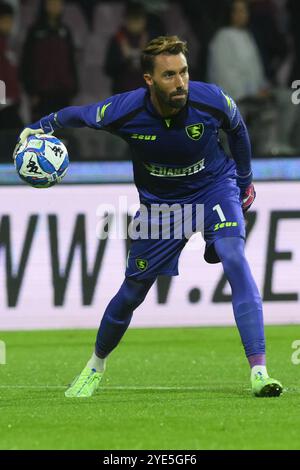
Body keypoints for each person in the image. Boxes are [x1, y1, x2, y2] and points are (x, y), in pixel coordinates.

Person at [15, 35, 283, 398]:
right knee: (132, 293)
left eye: (184, 72)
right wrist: (44, 124)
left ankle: (259, 372)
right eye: (170, 75)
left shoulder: (211, 100)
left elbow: (238, 130)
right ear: (149, 80)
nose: (181, 82)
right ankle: (95, 366)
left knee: (235, 257)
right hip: (161, 206)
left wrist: (245, 183)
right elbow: (81, 115)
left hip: (214, 186)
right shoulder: (124, 111)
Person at [207, 0, 299, 156]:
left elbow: (256, 73)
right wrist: (252, 93)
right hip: (237, 98)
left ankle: (282, 142)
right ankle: (268, 145)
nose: (244, 15)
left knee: (291, 99)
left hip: (257, 92)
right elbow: (225, 77)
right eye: (239, 11)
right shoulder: (222, 38)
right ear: (230, 14)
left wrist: (263, 88)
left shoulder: (247, 35)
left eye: (245, 11)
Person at [19, 0, 78, 123]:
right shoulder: (34, 32)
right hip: (41, 94)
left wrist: (73, 87)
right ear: (44, 5)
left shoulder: (65, 31)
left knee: (63, 131)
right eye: (52, 2)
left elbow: (71, 62)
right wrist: (31, 90)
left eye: (58, 3)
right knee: (41, 134)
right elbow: (26, 64)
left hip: (63, 93)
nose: (55, 6)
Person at [0, 1, 23, 162]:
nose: (9, 24)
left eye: (10, 20)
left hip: (10, 108)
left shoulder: (6, 45)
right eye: (5, 20)